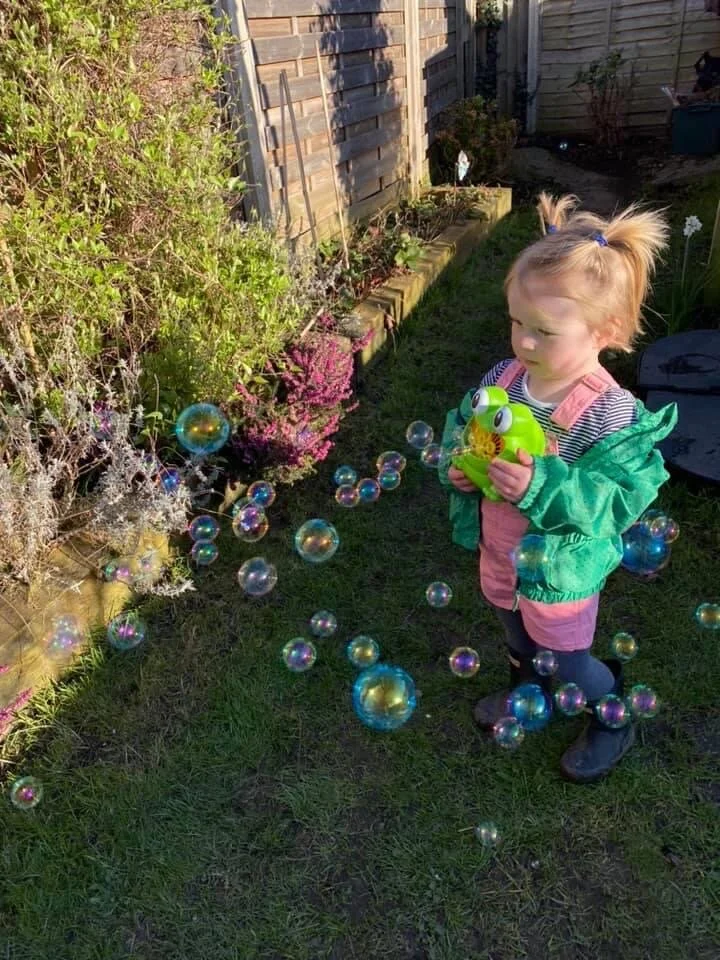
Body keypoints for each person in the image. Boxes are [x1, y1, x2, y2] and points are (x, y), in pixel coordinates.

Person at [438, 193, 678, 783]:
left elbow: (613, 501)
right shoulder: (506, 378)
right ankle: (528, 688)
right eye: (517, 322)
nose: (523, 342)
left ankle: (610, 714)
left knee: (567, 657)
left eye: (544, 331)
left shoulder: (608, 413)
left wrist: (540, 484)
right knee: (514, 629)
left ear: (605, 332)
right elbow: (467, 427)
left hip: (560, 571)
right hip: (502, 551)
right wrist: (458, 465)